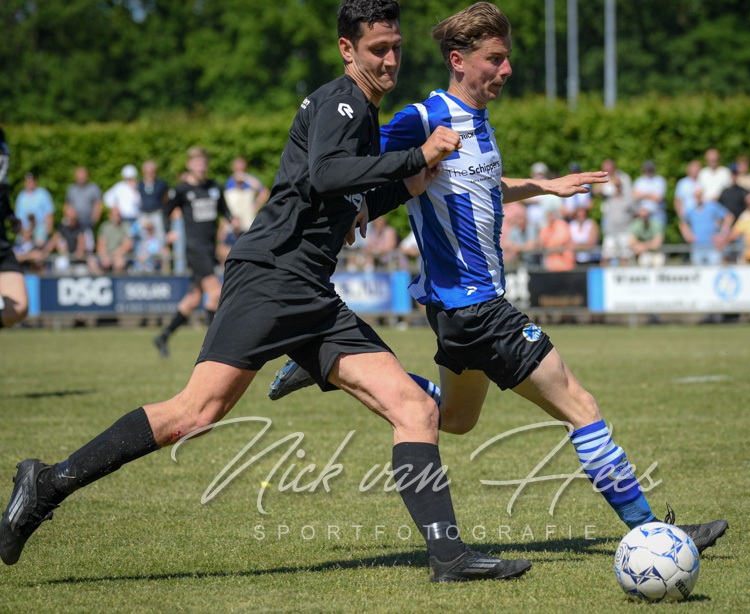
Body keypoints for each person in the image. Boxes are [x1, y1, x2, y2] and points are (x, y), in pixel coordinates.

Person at [0, 1, 532, 584]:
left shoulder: (360, 112)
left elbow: (342, 194)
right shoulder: (343, 101)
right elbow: (325, 173)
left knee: (414, 408)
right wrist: (417, 155)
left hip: (310, 292)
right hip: (272, 279)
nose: (390, 60)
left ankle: (449, 558)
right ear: (347, 49)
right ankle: (47, 484)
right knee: (195, 413)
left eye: (396, 47)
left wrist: (407, 184)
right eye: (377, 49)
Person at [269, 2, 727, 555]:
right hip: (476, 306)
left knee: (455, 418)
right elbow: (351, 163)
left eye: (507, 58)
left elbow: (475, 185)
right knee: (580, 406)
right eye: (495, 59)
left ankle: (332, 366)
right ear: (458, 61)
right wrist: (355, 209)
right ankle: (653, 532)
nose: (506, 69)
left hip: (457, 310)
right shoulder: (422, 119)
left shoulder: (477, 121)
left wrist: (543, 187)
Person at [153, 147, 231, 358]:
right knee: (216, 293)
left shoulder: (214, 187)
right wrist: (168, 232)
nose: (200, 166)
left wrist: (232, 220)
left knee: (194, 299)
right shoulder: (181, 190)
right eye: (196, 162)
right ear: (189, 165)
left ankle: (163, 336)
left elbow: (224, 210)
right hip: (195, 250)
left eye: (203, 162)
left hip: (210, 248)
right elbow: (165, 211)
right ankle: (216, 346)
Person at [0, 127, 29, 330]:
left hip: (1, 241)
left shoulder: (1, 136)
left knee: (18, 308)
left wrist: (8, 213)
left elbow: (2, 186)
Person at [679, 187, 733, 266]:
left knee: (714, 270)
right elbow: (682, 223)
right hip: (697, 247)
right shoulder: (690, 210)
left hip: (712, 247)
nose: (698, 197)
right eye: (696, 195)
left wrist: (722, 235)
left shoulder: (712, 206)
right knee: (699, 272)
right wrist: (687, 235)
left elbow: (729, 217)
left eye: (699, 195)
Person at [223, 156, 269, 231]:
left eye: (241, 169)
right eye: (237, 169)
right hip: (232, 227)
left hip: (247, 225)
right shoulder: (229, 183)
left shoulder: (250, 181)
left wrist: (255, 206)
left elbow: (264, 192)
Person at [64, 166, 103, 251]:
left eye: (83, 176)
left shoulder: (93, 188)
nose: (81, 178)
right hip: (74, 223)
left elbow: (98, 205)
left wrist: (94, 220)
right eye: (79, 176)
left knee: (88, 246)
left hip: (87, 222)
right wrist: (68, 218)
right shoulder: (71, 189)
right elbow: (67, 205)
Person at [15, 171, 54, 248]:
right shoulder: (21, 196)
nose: (30, 183)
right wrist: (23, 231)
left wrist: (49, 230)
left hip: (40, 226)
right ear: (24, 183)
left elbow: (49, 214)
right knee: (21, 243)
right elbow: (18, 218)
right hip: (25, 228)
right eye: (28, 181)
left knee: (40, 242)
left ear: (35, 181)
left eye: (32, 181)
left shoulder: (43, 194)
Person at [91, 205, 134, 273]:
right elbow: (100, 245)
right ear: (110, 215)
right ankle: (101, 279)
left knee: (119, 263)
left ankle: (116, 280)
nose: (116, 217)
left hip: (119, 256)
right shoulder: (104, 227)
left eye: (118, 215)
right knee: (92, 262)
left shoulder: (126, 227)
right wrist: (104, 257)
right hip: (106, 256)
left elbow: (127, 246)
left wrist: (111, 257)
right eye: (114, 214)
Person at [138, 159, 169, 250]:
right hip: (144, 214)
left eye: (152, 172)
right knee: (144, 237)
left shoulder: (161, 184)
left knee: (160, 237)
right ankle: (145, 257)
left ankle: (161, 256)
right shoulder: (139, 184)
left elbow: (166, 198)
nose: (150, 174)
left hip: (157, 213)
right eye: (147, 172)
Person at [632, 160, 667, 228]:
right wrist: (650, 195)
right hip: (642, 215)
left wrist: (643, 195)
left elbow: (658, 198)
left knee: (658, 233)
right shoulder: (639, 181)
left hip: (657, 214)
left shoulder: (660, 180)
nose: (648, 171)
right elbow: (635, 196)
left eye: (650, 169)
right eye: (647, 169)